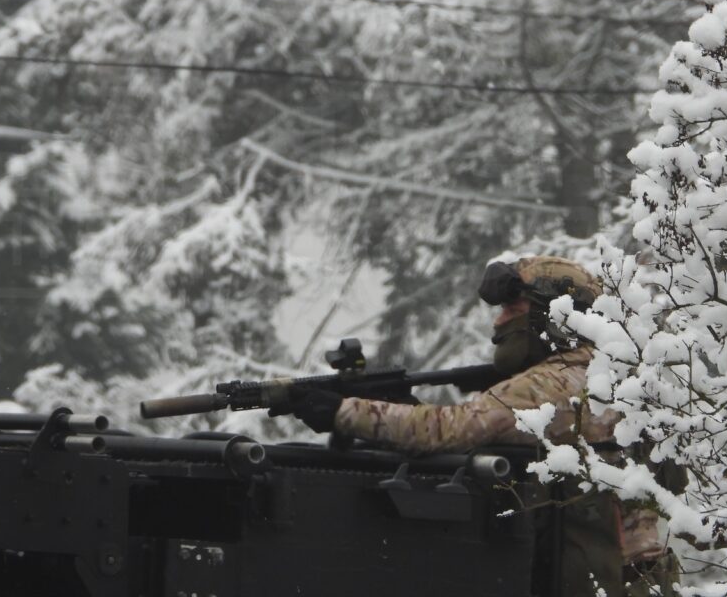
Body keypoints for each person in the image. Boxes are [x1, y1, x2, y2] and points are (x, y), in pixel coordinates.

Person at [285, 255, 677, 597]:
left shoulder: (557, 383)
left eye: (512, 308)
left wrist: (342, 411)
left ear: (553, 316)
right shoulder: (615, 372)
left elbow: (450, 430)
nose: (500, 321)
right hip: (627, 577)